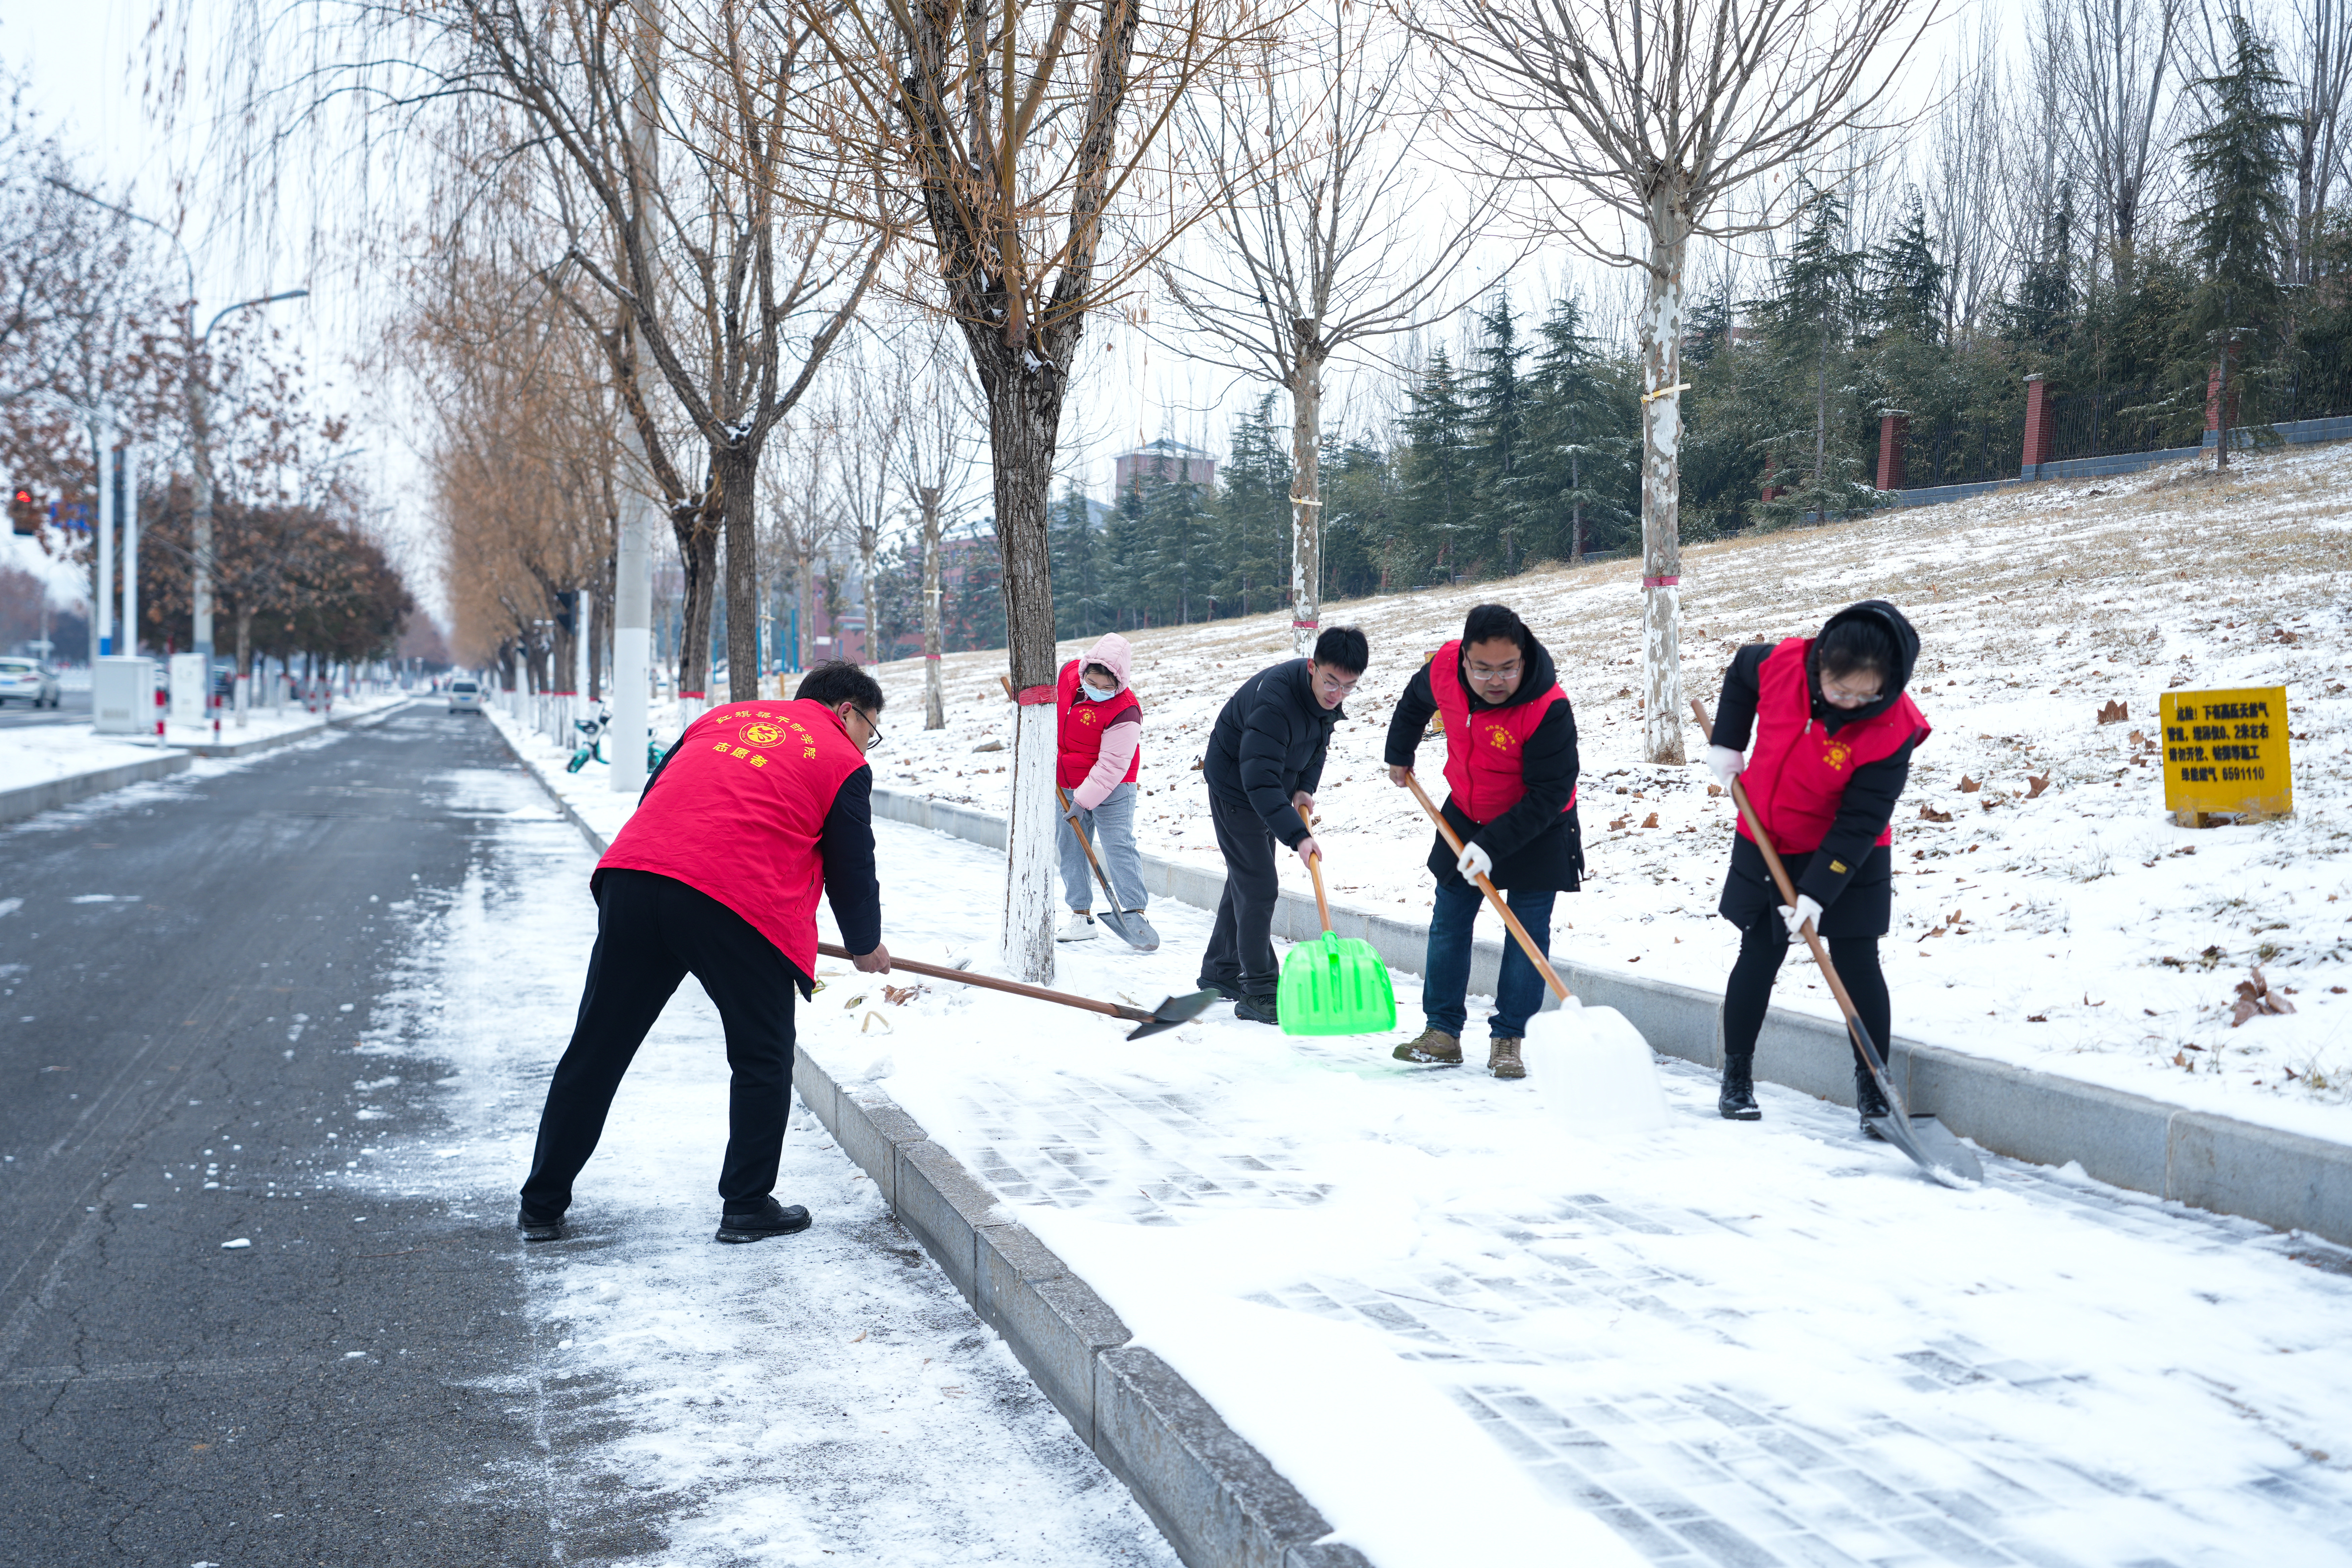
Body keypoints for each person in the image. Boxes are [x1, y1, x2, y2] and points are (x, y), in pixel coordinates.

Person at [517, 661, 893, 1244]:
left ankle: (541, 1204)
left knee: (597, 1048)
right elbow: (852, 865)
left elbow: (655, 796)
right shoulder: (843, 760)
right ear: (848, 710)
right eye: (872, 728)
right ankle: (746, 1205)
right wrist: (865, 944)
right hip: (737, 900)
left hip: (636, 876)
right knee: (762, 1055)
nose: (868, 741)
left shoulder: (721, 718)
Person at [1705, 600, 1930, 1133]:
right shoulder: (1784, 663)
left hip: (1848, 852)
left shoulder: (1894, 729)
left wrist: (1817, 893)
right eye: (1839, 690)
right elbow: (1741, 672)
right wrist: (1728, 743)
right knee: (1760, 952)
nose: (1852, 704)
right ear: (1822, 661)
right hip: (1768, 834)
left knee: (1856, 963)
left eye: (1866, 694)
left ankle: (1875, 1091)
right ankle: (1737, 1077)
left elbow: (1861, 821)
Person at [1383, 605, 1582, 1079]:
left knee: (1525, 930)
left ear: (1524, 658)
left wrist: (1492, 845)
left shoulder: (1547, 706)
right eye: (1484, 669)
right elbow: (1414, 702)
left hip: (1537, 823)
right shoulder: (1445, 669)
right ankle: (1442, 1032)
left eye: (1508, 668)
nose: (1497, 681)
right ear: (1465, 660)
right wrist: (1399, 753)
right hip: (1467, 813)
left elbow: (1550, 794)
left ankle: (1509, 1039)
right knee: (1450, 920)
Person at [1199, 626, 1369, 1024]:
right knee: (1259, 885)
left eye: (1349, 687)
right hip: (1236, 786)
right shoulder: (1276, 702)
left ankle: (1221, 970)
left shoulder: (1328, 699)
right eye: (1330, 682)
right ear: (1312, 667)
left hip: (1272, 784)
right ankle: (1258, 991)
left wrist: (1306, 788)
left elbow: (1318, 745)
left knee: (1247, 877)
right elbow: (1256, 779)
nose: (1337, 695)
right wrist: (1297, 835)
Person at [1055, 633, 1157, 950]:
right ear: (1084, 672)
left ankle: (1135, 912)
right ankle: (1081, 916)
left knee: (1118, 847)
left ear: (1120, 683)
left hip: (1114, 786)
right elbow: (1047, 706)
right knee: (1070, 846)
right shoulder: (1070, 676)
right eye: (1092, 683)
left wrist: (1083, 801)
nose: (1097, 691)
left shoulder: (1127, 712)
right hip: (1068, 781)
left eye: (1106, 688)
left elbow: (1111, 765)